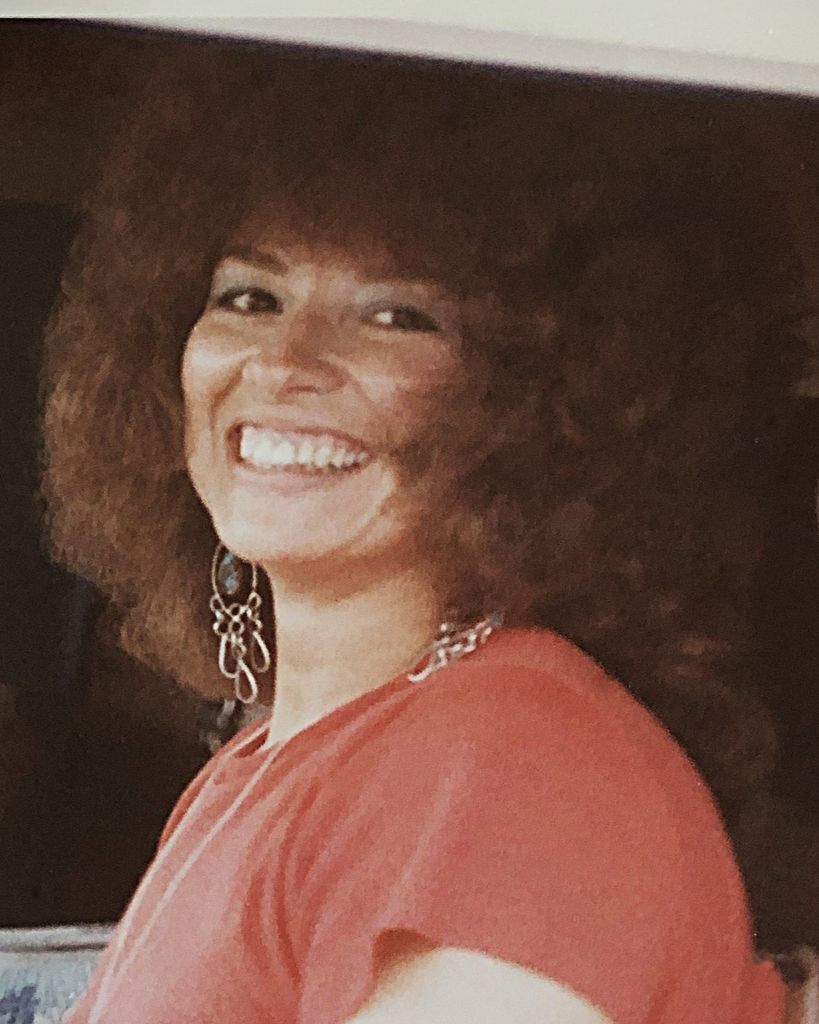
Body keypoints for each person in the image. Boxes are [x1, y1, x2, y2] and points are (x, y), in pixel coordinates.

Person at [40, 38, 808, 1024]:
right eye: (249, 296)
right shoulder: (264, 762)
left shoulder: (520, 769)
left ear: (541, 402)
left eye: (397, 316)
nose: (284, 361)